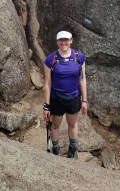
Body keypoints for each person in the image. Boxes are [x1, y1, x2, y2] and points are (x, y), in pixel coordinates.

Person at [42, 30, 88, 158]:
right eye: (61, 40)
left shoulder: (79, 57)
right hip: (56, 98)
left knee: (72, 124)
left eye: (66, 40)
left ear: (71, 41)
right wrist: (46, 106)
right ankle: (56, 151)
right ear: (57, 42)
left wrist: (84, 100)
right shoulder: (50, 59)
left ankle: (72, 150)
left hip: (73, 98)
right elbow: (47, 84)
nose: (64, 43)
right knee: (55, 125)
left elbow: (82, 79)